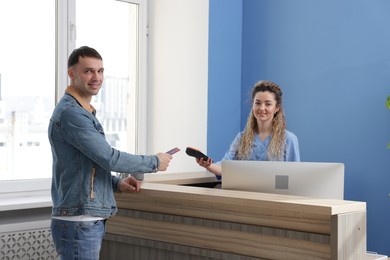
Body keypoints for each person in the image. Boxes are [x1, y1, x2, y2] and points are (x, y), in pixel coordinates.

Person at [48, 46, 172, 260]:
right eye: (88, 71)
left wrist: (116, 184)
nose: (96, 77)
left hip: (85, 221)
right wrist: (154, 162)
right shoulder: (72, 114)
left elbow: (87, 164)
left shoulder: (82, 111)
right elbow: (108, 157)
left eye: (100, 71)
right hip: (80, 222)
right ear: (71, 74)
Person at [197, 80, 300, 176]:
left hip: (274, 194)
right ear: (252, 105)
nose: (261, 108)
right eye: (258, 103)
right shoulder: (241, 138)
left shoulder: (289, 139)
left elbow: (295, 175)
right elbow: (224, 167)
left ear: (277, 108)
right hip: (245, 193)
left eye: (268, 104)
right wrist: (208, 165)